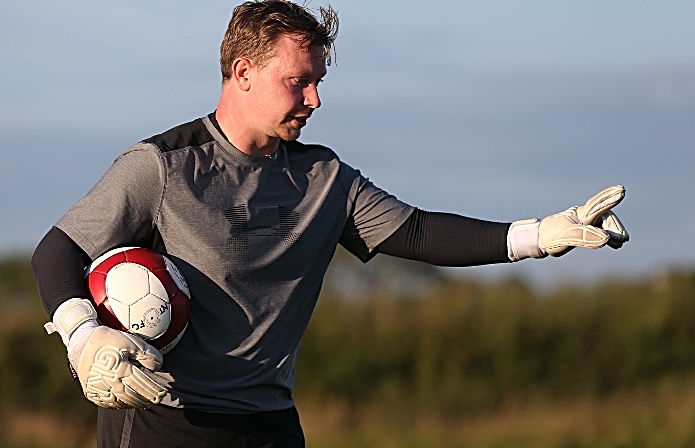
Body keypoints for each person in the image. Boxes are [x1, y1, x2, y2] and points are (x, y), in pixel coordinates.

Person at [31, 1, 629, 447]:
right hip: (164, 425)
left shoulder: (326, 179)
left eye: (319, 81)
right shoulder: (161, 166)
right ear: (242, 72)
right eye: (300, 81)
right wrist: (85, 339)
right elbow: (56, 253)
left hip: (271, 427)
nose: (315, 99)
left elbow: (418, 233)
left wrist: (541, 236)